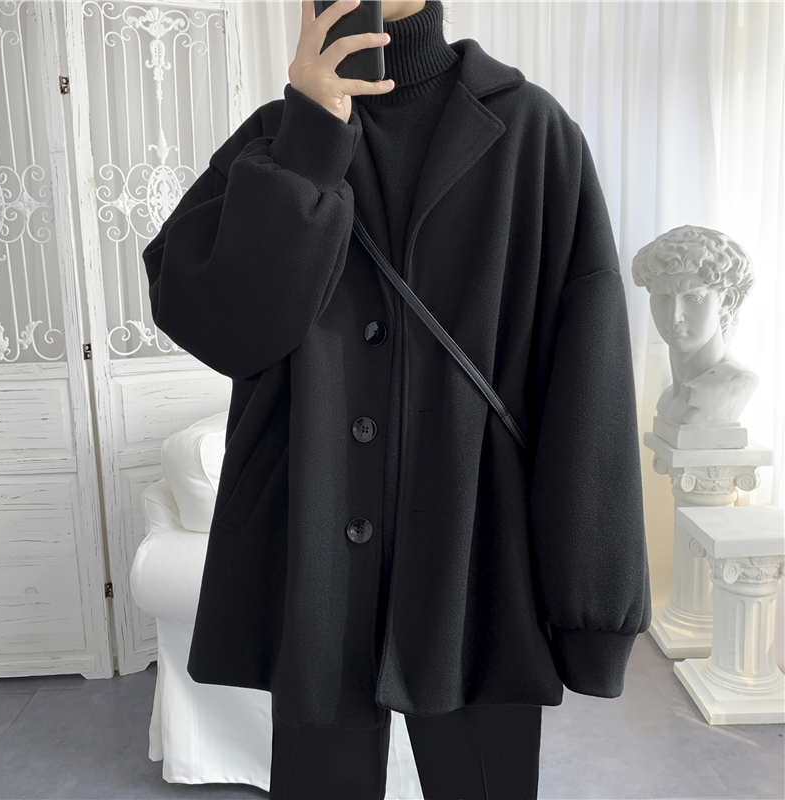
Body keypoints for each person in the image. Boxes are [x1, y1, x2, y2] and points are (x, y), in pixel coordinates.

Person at [143, 1, 653, 798]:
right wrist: (310, 142)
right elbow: (223, 328)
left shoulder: (530, 134)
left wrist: (594, 605)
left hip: (479, 562)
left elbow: (590, 378)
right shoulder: (277, 141)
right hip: (314, 565)